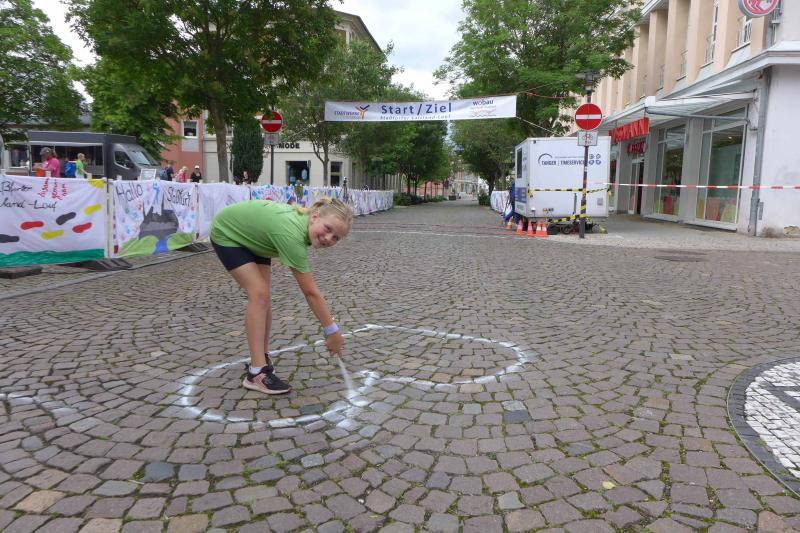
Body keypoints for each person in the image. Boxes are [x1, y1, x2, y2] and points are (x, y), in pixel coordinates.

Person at [209, 198, 353, 394]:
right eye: (328, 229)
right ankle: (257, 373)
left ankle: (261, 357)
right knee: (259, 295)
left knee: (264, 298)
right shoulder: (291, 233)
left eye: (336, 237)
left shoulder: (303, 228)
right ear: (315, 217)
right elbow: (311, 293)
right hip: (228, 233)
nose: (329, 238)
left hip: (255, 238)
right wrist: (332, 331)